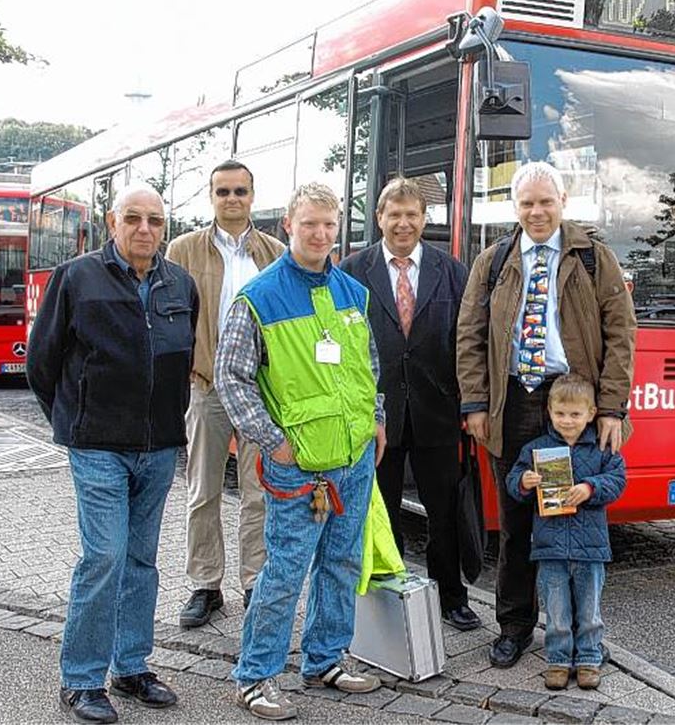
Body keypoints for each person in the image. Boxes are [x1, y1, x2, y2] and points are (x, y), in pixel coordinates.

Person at [27, 183, 199, 724]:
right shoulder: (76, 278)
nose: (145, 229)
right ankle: (81, 679)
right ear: (111, 221)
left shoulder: (181, 284)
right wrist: (74, 422)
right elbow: (41, 363)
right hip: (98, 445)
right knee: (104, 557)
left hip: (159, 447)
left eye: (155, 220)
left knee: (141, 560)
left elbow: (183, 361)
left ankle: (131, 667)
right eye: (133, 218)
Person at [215, 182, 385, 721]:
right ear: (288, 225)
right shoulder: (259, 297)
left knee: (342, 562)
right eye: (309, 223)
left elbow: (367, 365)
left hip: (353, 457)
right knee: (285, 571)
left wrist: (377, 418)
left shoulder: (352, 292)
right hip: (299, 467)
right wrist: (273, 441)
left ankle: (324, 660)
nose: (320, 234)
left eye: (329, 224)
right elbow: (230, 377)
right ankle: (255, 676)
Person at [456, 161, 636, 669]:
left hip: (572, 405)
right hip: (513, 402)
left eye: (545, 202)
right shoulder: (493, 261)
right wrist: (475, 403)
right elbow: (469, 336)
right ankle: (514, 628)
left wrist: (611, 409)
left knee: (575, 522)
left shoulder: (593, 258)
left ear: (563, 202)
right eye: (527, 203)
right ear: (515, 208)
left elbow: (622, 336)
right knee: (516, 521)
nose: (537, 212)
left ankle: (579, 634)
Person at [339, 177, 480, 632]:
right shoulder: (352, 271)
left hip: (437, 410)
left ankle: (451, 598)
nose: (403, 223)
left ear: (424, 218)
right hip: (376, 415)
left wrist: (469, 402)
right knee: (381, 512)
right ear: (379, 218)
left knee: (444, 512)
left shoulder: (451, 270)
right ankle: (389, 601)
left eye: (412, 214)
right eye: (394, 214)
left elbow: (468, 340)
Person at [166, 160, 285, 627]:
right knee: (203, 491)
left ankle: (255, 581)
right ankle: (205, 584)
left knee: (258, 493)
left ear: (252, 196)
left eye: (240, 191)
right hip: (206, 386)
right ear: (211, 197)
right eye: (223, 192)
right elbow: (168, 315)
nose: (232, 199)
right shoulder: (182, 250)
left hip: (259, 392)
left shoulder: (275, 253)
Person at [505, 376, 626, 691]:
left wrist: (590, 487)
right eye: (560, 413)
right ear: (549, 411)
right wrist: (524, 481)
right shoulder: (536, 449)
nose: (567, 421)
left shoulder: (602, 448)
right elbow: (513, 481)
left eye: (575, 414)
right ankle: (558, 661)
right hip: (550, 548)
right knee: (557, 612)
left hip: (591, 548)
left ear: (591, 413)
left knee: (589, 612)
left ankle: (588, 659)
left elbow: (618, 480)